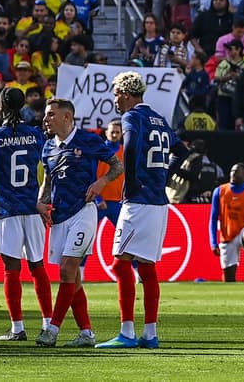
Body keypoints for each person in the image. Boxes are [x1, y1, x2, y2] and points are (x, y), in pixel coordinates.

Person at [96, 71, 186, 349]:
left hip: (138, 201)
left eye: (116, 94)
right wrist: (162, 174)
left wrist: (133, 182)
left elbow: (131, 148)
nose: (114, 99)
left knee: (120, 264)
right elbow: (181, 150)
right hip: (159, 201)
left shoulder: (132, 117)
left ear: (126, 93)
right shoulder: (159, 118)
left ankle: (127, 332)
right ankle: (150, 334)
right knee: (147, 268)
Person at [35, 98, 124, 348]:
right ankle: (86, 332)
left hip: (83, 211)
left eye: (51, 114)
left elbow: (117, 165)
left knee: (67, 270)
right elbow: (49, 180)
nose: (46, 119)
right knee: (72, 279)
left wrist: (101, 183)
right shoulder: (48, 147)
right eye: (46, 114)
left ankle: (52, 329)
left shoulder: (88, 140)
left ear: (67, 117)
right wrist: (41, 202)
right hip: (60, 215)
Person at [0, 87, 53, 342]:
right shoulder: (35, 134)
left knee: (11, 270)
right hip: (33, 206)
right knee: (38, 267)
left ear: (1, 107)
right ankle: (48, 325)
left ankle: (17, 328)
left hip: (8, 208)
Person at [209, 163, 244, 283]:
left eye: (237, 171)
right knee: (229, 279)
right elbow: (213, 218)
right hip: (227, 235)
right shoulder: (219, 191)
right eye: (232, 171)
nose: (233, 173)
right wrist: (213, 242)